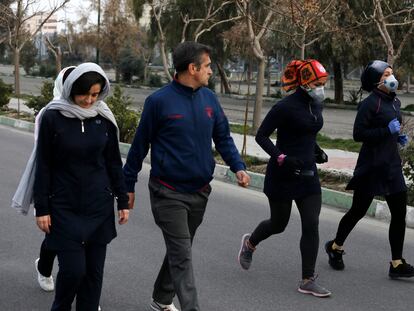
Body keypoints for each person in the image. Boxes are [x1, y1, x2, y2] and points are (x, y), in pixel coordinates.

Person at [123, 41, 250, 311]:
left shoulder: (209, 99)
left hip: (200, 191)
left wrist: (238, 165)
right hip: (167, 192)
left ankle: (161, 298)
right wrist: (128, 185)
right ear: (192, 68)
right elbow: (139, 146)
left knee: (180, 250)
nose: (211, 72)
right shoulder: (158, 102)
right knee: (182, 254)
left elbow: (223, 137)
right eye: (207, 67)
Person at [33, 62, 129, 310]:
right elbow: (43, 165)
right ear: (70, 89)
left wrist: (122, 199)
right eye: (84, 94)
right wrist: (42, 208)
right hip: (64, 206)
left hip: (99, 206)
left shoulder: (104, 117)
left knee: (93, 276)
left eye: (95, 94)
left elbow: (113, 162)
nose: (89, 100)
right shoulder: (52, 117)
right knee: (74, 271)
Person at [238, 59, 331, 297]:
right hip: (282, 174)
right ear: (306, 83)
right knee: (278, 224)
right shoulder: (285, 107)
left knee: (311, 223)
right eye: (318, 83)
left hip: (308, 175)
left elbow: (306, 132)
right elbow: (261, 136)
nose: (322, 88)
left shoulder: (316, 105)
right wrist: (281, 157)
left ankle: (307, 279)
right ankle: (250, 243)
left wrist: (317, 150)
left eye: (324, 83)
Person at [325, 60, 414, 278]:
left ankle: (396, 263)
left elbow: (391, 129)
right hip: (372, 166)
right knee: (358, 211)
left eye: (391, 73)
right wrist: (386, 131)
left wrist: (397, 136)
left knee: (399, 214)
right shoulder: (369, 104)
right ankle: (335, 247)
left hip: (391, 165)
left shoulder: (395, 103)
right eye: (386, 74)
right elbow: (358, 134)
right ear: (376, 81)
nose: (391, 77)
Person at [34, 66, 76, 293]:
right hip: (55, 186)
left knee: (78, 241)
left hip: (81, 187)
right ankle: (44, 267)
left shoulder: (92, 111)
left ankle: (84, 292)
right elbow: (43, 156)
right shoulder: (48, 114)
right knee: (55, 236)